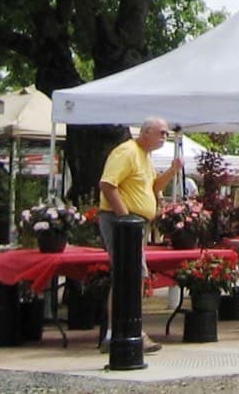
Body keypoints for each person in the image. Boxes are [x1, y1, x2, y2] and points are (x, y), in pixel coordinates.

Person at [98, 117, 185, 353]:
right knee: (128, 275)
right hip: (122, 222)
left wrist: (172, 172)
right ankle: (120, 332)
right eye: (161, 133)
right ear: (146, 132)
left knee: (133, 275)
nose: (164, 138)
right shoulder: (126, 152)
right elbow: (107, 184)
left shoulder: (144, 157)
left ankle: (127, 330)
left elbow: (153, 187)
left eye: (166, 134)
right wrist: (125, 219)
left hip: (135, 224)